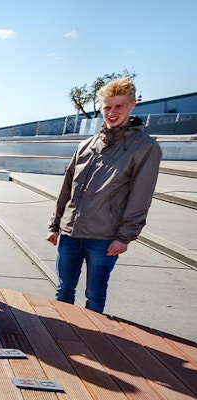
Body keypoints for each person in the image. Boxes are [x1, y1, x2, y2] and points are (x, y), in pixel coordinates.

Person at [46, 77, 161, 313]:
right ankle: (62, 339)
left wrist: (124, 237)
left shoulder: (145, 147)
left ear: (132, 105)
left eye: (119, 106)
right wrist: (56, 224)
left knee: (95, 296)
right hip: (70, 233)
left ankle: (95, 342)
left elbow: (141, 197)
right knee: (63, 290)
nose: (112, 112)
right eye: (107, 107)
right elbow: (67, 188)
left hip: (104, 238)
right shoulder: (87, 145)